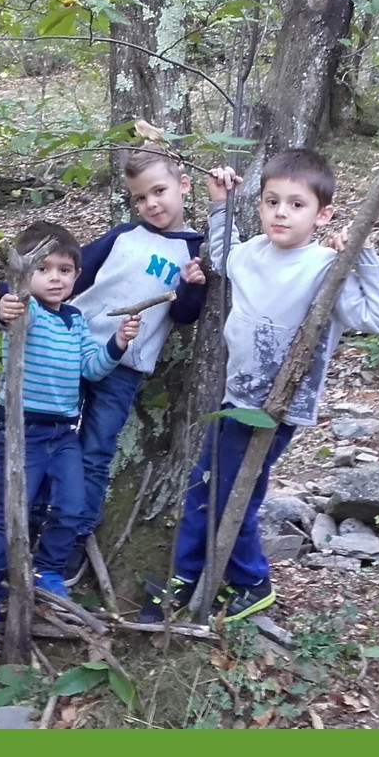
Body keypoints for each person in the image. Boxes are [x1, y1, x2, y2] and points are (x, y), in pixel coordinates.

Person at [145, 144, 379, 623]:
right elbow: (221, 255)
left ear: (323, 216)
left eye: (297, 205)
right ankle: (189, 577)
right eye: (271, 201)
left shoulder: (326, 268)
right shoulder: (252, 254)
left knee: (229, 491)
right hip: (235, 398)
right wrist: (221, 205)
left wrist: (362, 256)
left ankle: (249, 581)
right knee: (207, 488)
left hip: (278, 407)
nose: (281, 213)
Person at [67, 146, 234, 581]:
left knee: (95, 452)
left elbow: (184, 317)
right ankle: (37, 520)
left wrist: (193, 286)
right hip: (72, 348)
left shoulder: (196, 250)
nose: (151, 204)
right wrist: (12, 286)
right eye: (140, 198)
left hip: (125, 367)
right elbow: (73, 274)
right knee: (54, 441)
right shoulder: (123, 236)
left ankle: (71, 541)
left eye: (159, 191)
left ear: (183, 185)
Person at [0, 220, 117, 657]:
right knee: (12, 511)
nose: (56, 277)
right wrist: (2, 306)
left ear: (76, 276)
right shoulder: (24, 308)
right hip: (22, 428)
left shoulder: (76, 319)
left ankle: (47, 571)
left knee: (71, 505)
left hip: (64, 430)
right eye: (44, 268)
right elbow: (6, 313)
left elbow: (92, 369)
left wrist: (118, 343)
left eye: (65, 269)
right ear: (26, 274)